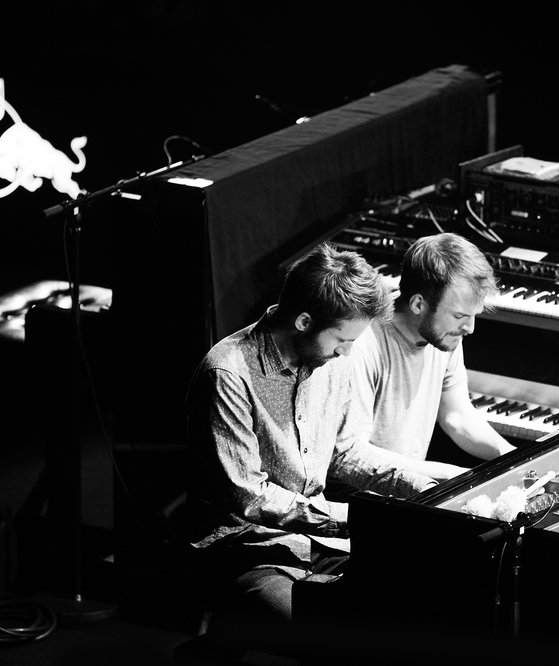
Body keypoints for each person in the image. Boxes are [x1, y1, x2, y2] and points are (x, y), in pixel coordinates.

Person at [184, 243, 436, 634]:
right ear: (303, 322)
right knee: (326, 636)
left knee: (415, 612)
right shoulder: (228, 373)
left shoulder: (331, 361)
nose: (349, 351)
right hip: (245, 549)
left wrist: (420, 488)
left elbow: (346, 453)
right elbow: (249, 496)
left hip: (317, 542)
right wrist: (351, 520)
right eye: (342, 339)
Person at [349, 232, 515, 481]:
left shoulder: (443, 334)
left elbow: (457, 416)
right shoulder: (362, 344)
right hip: (358, 503)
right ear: (418, 305)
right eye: (460, 316)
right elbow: (351, 454)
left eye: (473, 315)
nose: (470, 329)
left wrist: (512, 457)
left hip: (409, 490)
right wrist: (446, 474)